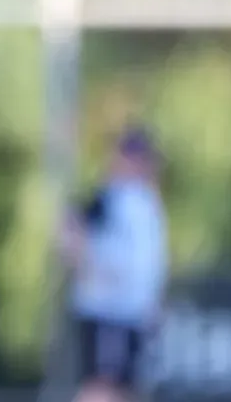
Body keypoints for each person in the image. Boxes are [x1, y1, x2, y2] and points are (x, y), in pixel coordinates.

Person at [60, 127, 168, 402]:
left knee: (123, 389)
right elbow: (72, 231)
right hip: (109, 310)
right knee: (101, 388)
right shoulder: (113, 196)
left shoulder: (142, 198)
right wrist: (91, 269)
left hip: (131, 312)